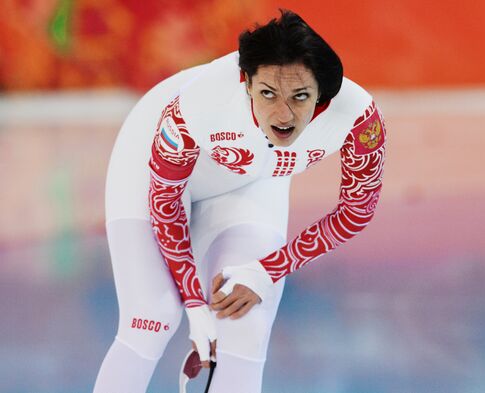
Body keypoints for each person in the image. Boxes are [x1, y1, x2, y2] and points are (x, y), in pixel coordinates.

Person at [93, 9, 386, 393]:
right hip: (151, 167)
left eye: (300, 97)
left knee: (244, 321)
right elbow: (165, 199)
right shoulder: (200, 103)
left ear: (323, 96)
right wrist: (195, 305)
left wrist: (265, 271)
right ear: (245, 83)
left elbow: (356, 211)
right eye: (268, 94)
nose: (283, 115)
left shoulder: (358, 117)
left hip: (251, 181)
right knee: (153, 316)